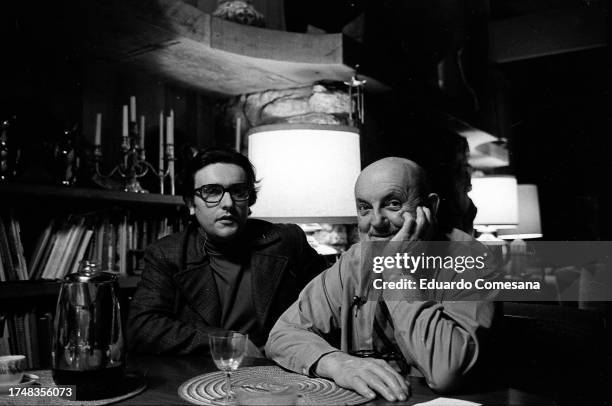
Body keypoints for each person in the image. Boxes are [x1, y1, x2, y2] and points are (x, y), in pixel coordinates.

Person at [265, 157, 496, 402]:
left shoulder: (472, 259)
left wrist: (396, 270)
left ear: (430, 206)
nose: (375, 221)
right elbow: (282, 334)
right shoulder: (355, 260)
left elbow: (446, 374)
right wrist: (335, 363)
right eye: (364, 207)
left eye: (393, 204)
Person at [127, 148, 327, 354]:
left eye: (238, 191)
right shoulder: (167, 253)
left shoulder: (287, 241)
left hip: (280, 369)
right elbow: (143, 327)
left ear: (249, 201)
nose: (228, 203)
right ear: (190, 203)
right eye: (212, 192)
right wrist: (228, 342)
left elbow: (329, 302)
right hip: (204, 374)